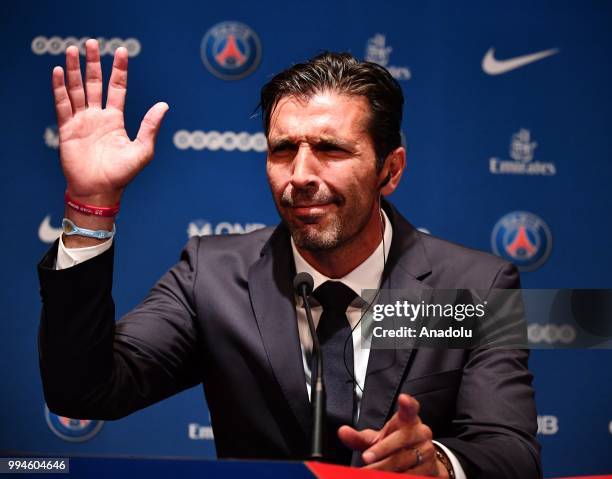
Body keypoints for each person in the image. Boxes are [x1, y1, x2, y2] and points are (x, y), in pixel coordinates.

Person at [38, 39, 541, 479]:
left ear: (390, 171)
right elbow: (82, 391)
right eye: (283, 150)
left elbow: (513, 454)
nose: (299, 173)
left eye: (330, 149)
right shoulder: (211, 277)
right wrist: (91, 204)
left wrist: (439, 464)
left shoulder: (476, 287)